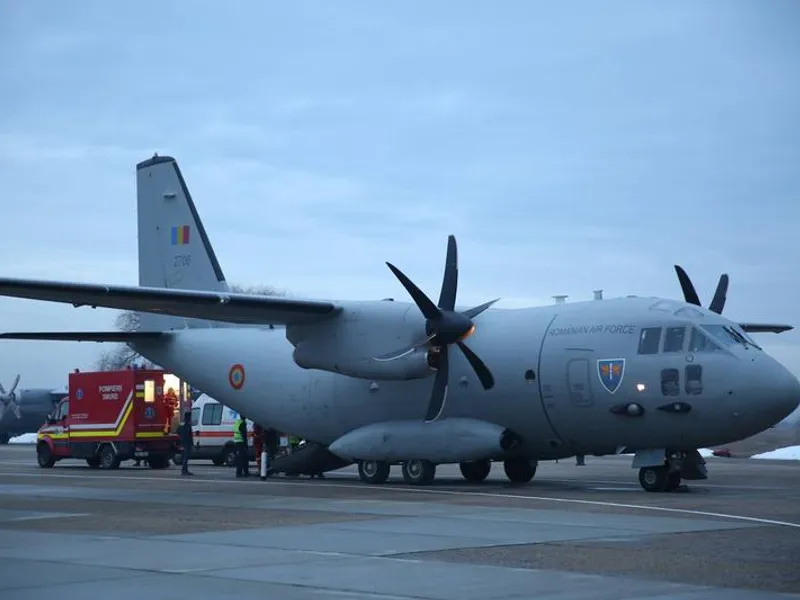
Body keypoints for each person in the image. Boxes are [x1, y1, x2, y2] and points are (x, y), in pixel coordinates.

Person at [233, 413, 249, 478]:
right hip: (241, 442)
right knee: (243, 458)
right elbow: (244, 434)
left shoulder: (237, 422)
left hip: (236, 442)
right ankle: (243, 472)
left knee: (240, 458)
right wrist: (246, 445)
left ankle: (240, 472)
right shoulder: (243, 423)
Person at [179, 410, 194, 476]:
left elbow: (178, 432)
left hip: (184, 443)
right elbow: (188, 435)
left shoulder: (183, 424)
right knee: (185, 457)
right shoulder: (186, 425)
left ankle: (185, 470)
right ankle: (184, 470)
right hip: (185, 443)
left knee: (186, 457)